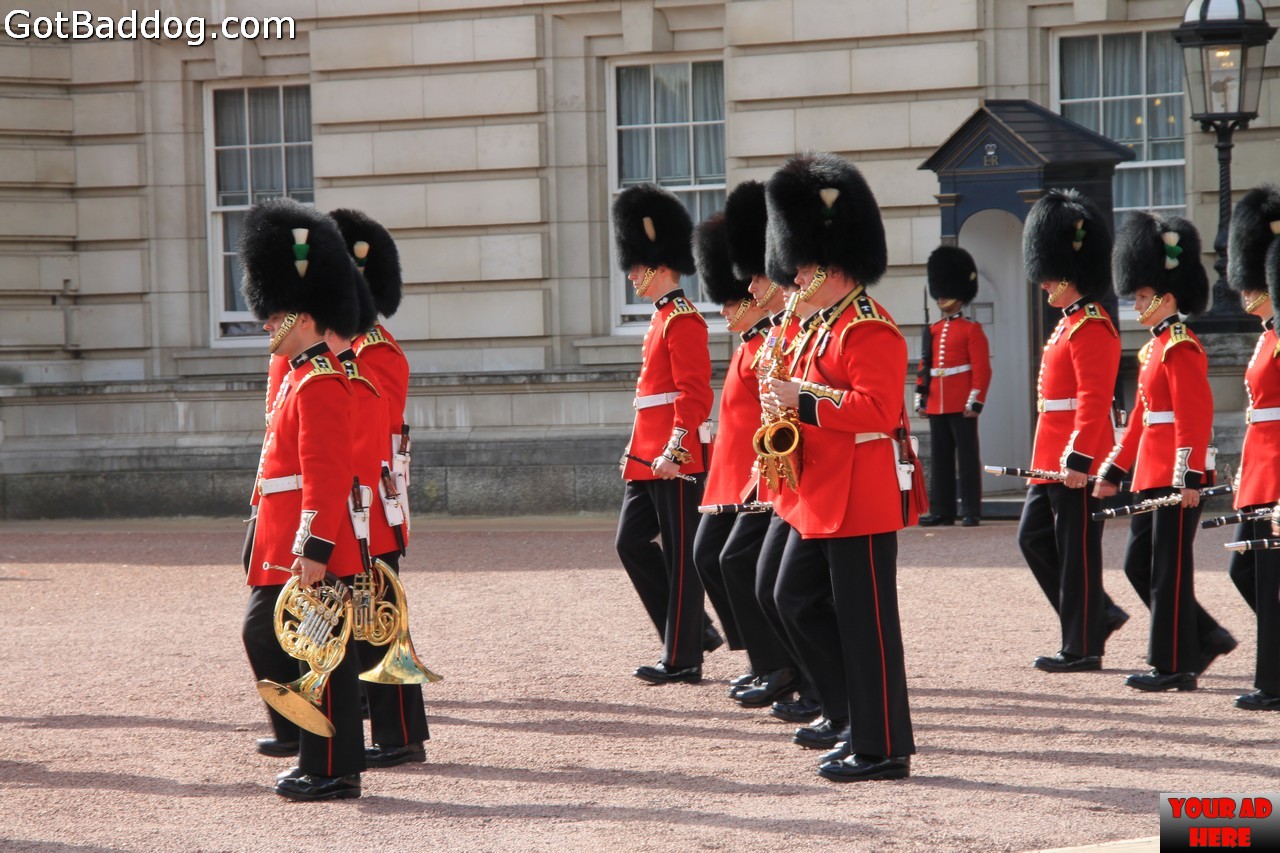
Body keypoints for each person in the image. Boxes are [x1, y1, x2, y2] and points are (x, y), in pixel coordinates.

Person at [764, 152, 918, 782]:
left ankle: (883, 747)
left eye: (804, 266)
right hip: (821, 488)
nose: (795, 276)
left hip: (860, 493)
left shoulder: (868, 328)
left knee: (868, 627)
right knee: (791, 597)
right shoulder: (819, 327)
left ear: (833, 265)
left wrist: (803, 400)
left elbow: (878, 411)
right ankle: (846, 713)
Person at [238, 198, 366, 801]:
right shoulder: (297, 378)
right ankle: (315, 752)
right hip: (283, 537)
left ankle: (334, 768)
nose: (268, 324)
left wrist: (315, 545)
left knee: (320, 652)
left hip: (311, 542)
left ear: (304, 316)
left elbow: (327, 472)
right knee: (275, 638)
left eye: (276, 315)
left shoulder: (319, 383)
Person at [1094, 211, 1224, 692]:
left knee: (1168, 571)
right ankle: (1202, 639)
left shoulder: (1180, 347)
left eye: (1143, 297)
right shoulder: (1152, 349)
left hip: (1174, 475)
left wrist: (1189, 477)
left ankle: (1173, 665)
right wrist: (1114, 469)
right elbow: (1140, 419)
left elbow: (1194, 417)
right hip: (1151, 474)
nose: (1137, 304)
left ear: (1167, 297)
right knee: (1140, 565)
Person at [330, 208, 432, 762]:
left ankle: (401, 737)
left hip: (371, 507)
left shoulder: (375, 352)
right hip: (352, 503)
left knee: (380, 622)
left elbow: (376, 442)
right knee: (357, 621)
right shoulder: (343, 350)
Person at [690, 202, 799, 708]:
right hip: (734, 474)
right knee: (712, 559)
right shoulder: (751, 345)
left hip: (762, 476)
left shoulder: (771, 343)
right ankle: (762, 657)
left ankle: (776, 662)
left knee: (735, 563)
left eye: (737, 297)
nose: (731, 306)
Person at [612, 184, 717, 684]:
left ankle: (683, 657)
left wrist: (677, 447)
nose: (631, 274)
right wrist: (636, 449)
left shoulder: (684, 320)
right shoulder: (660, 319)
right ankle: (694, 631)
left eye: (637, 266)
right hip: (648, 454)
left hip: (676, 456)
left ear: (659, 266)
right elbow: (651, 396)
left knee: (680, 557)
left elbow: (693, 395)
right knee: (630, 543)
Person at [1016, 189, 1124, 675]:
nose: (1043, 283)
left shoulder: (1092, 325)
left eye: (1049, 274)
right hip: (1050, 456)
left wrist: (1080, 459)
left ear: (1069, 271)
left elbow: (1094, 400)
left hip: (1074, 458)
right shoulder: (1068, 323)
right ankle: (1097, 615)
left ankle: (1082, 646)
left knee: (1078, 552)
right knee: (1033, 538)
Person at [1222, 185, 1280, 709]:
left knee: (1262, 575)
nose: (1245, 291)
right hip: (1260, 470)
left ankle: (1273, 683)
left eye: (1255, 283)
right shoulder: (1267, 336)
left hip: (1277, 474)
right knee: (1247, 570)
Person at [915, 246, 991, 527]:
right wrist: (921, 399)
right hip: (937, 401)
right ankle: (943, 510)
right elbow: (925, 366)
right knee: (941, 459)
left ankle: (971, 510)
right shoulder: (933, 330)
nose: (941, 297)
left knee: (967, 458)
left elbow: (982, 370)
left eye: (946, 292)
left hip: (961, 402)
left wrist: (975, 401)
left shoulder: (972, 330)